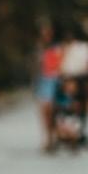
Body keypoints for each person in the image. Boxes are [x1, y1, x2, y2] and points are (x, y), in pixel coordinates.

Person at [34, 20, 63, 152]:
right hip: (42, 81)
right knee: (44, 111)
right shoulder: (39, 47)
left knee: (52, 110)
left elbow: (60, 64)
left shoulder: (57, 47)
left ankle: (53, 136)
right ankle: (48, 137)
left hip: (54, 80)